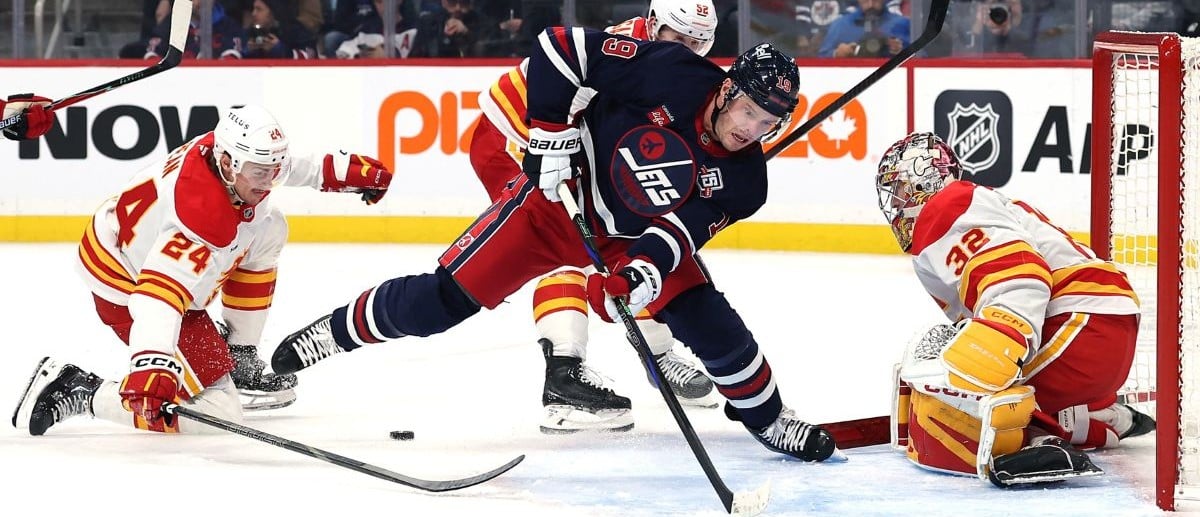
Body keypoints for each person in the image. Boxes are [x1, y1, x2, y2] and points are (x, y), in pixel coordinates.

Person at [270, 32, 838, 462]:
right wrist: (548, 130)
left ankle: (769, 419)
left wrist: (641, 271)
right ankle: (333, 333)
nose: (752, 131)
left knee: (713, 323)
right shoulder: (671, 71)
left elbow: (680, 233)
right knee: (442, 302)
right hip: (554, 201)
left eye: (768, 123)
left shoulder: (745, 181)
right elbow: (559, 47)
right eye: (748, 113)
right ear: (728, 90)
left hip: (632, 237)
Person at [11, 105, 393, 435]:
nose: (270, 182)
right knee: (220, 412)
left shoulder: (227, 151)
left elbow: (283, 164)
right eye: (261, 173)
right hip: (128, 285)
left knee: (269, 226)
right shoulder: (200, 219)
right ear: (228, 164)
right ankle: (77, 389)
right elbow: (155, 297)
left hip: (142, 253)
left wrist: (339, 171)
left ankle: (239, 355)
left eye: (273, 170)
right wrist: (151, 360)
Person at [473, 0, 720, 433]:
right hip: (513, 137)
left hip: (562, 135)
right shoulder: (626, 51)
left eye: (697, 43)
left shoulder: (669, 61)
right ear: (653, 25)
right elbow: (558, 109)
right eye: (678, 39)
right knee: (564, 242)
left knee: (634, 235)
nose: (687, 50)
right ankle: (563, 377)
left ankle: (656, 355)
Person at [875, 132, 1156, 486]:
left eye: (899, 189)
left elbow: (1021, 275)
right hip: (1098, 329)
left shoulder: (948, 206)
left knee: (980, 398)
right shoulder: (965, 210)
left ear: (925, 182)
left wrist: (997, 345)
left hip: (1079, 325)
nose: (896, 203)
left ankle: (1044, 441)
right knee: (982, 374)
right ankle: (1104, 417)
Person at [817, 0, 909, 58]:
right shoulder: (841, 25)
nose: (870, 3)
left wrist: (900, 50)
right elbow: (821, 58)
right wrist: (837, 54)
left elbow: (921, 57)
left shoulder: (903, 23)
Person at [242, 0, 318, 59]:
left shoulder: (296, 32)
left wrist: (282, 51)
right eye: (253, 9)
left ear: (272, 13)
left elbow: (311, 58)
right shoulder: (249, 33)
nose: (253, 13)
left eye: (259, 9)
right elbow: (234, 54)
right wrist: (247, 52)